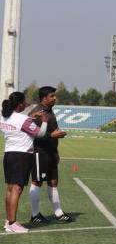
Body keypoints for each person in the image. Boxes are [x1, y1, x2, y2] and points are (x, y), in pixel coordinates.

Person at [1, 92, 48, 233]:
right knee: (17, 189)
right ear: (20, 104)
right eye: (24, 102)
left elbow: (17, 125)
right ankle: (13, 223)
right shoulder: (23, 119)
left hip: (8, 154)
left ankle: (9, 221)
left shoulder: (4, 115)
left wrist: (29, 119)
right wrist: (44, 120)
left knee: (10, 189)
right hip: (21, 156)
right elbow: (40, 133)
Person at [29, 86, 71, 223]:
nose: (55, 98)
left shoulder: (50, 111)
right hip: (40, 152)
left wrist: (56, 151)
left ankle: (58, 213)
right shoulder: (37, 112)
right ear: (44, 98)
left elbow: (51, 131)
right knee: (37, 182)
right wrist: (53, 135)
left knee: (53, 182)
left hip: (51, 152)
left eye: (54, 96)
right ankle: (35, 215)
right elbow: (33, 134)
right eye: (52, 96)